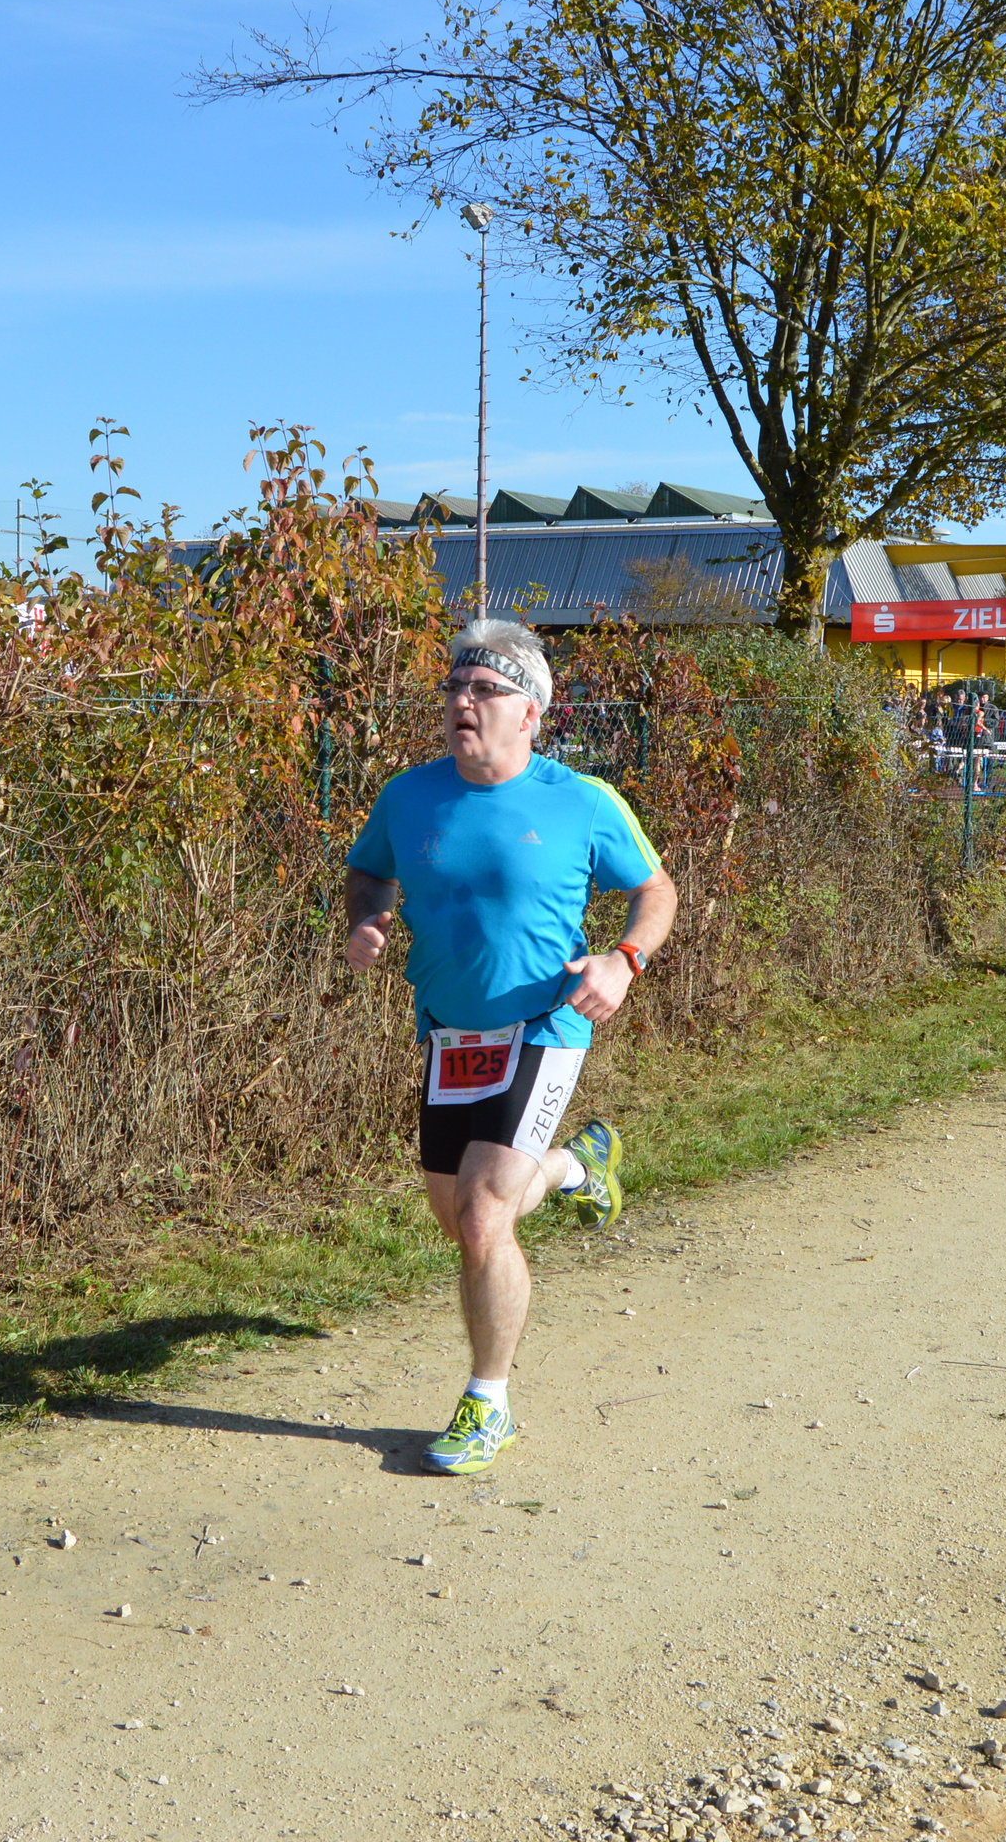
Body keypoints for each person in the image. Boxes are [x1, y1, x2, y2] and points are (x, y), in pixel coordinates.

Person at [344, 617, 678, 1478]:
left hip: (544, 1022)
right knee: (460, 1216)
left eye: (484, 689)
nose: (462, 701)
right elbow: (370, 869)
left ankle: (487, 1403)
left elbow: (655, 890)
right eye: (454, 687)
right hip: (449, 1032)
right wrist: (367, 918)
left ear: (530, 712)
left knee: (484, 1216)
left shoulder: (583, 800)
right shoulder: (408, 796)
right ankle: (573, 1168)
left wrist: (623, 960)